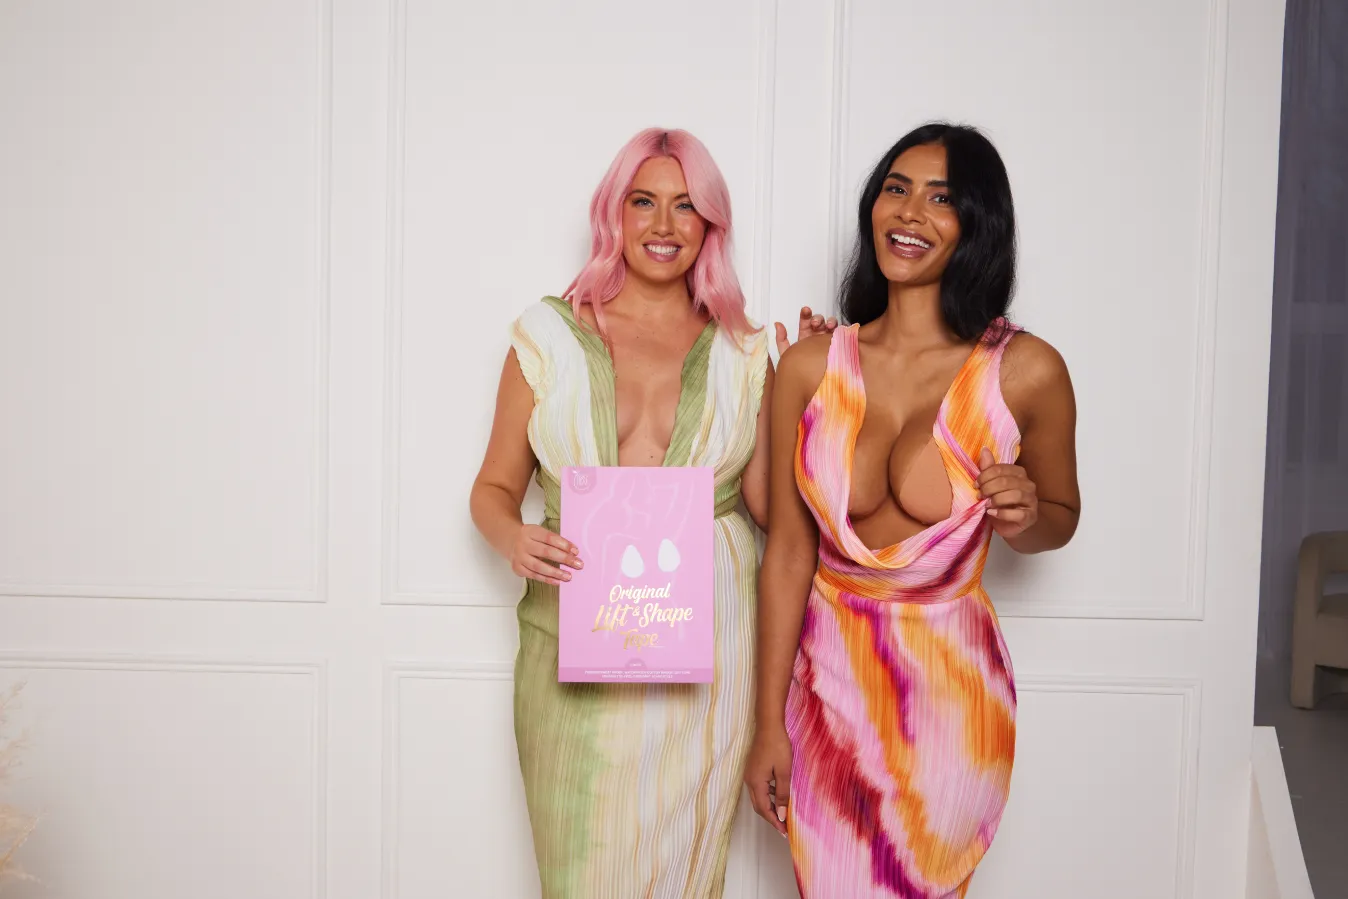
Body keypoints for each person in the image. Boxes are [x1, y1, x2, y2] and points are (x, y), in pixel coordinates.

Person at [469, 127, 829, 898]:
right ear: (614, 213)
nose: (664, 225)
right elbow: (493, 488)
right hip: (570, 647)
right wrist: (512, 535)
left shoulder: (743, 351)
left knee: (683, 874)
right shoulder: (547, 336)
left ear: (710, 224)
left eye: (686, 206)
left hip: (707, 654)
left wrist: (813, 395)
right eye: (644, 202)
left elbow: (773, 512)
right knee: (581, 871)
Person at [745, 122, 1081, 898]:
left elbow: (1060, 517)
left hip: (950, 704)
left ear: (978, 224)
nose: (910, 212)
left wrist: (1028, 513)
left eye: (941, 198)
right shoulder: (809, 367)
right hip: (826, 696)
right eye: (896, 189)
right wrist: (768, 723)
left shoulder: (1025, 371)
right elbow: (788, 553)